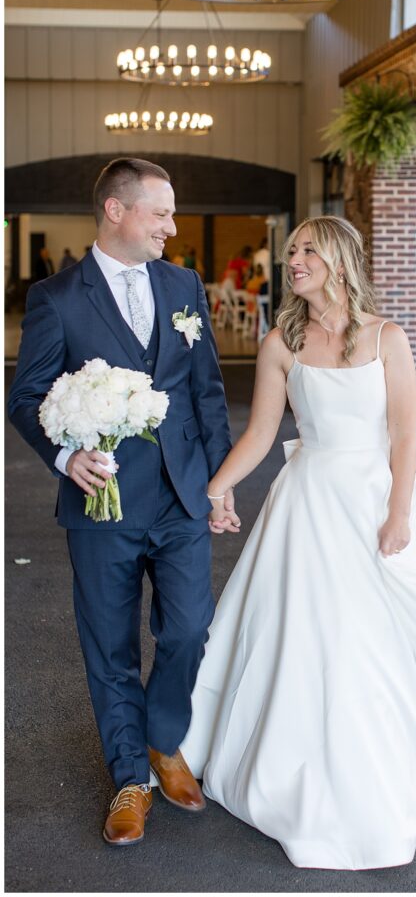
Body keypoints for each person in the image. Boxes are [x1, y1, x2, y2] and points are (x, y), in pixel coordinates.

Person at [181, 215, 416, 871]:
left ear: (340, 261)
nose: (293, 261)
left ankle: (397, 767)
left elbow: (404, 436)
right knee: (312, 636)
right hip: (307, 504)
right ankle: (307, 776)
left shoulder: (387, 338)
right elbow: (262, 433)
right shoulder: (280, 343)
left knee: (381, 636)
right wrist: (217, 488)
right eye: (291, 252)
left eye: (307, 250)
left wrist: (400, 514)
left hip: (373, 501)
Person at [8, 157, 238, 848]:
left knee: (189, 628)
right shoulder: (58, 298)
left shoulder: (184, 284)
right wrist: (64, 456)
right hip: (100, 500)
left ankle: (164, 739)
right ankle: (131, 778)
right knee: (108, 645)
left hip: (180, 494)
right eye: (160, 212)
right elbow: (27, 396)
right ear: (116, 211)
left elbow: (205, 393)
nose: (172, 226)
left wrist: (220, 484)